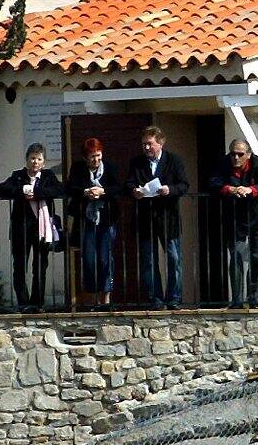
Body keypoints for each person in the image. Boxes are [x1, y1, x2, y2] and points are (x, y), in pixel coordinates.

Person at [127, 126, 189, 308]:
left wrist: (170, 190)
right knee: (149, 260)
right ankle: (156, 298)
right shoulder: (137, 162)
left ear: (160, 143)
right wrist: (135, 191)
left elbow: (184, 184)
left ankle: (174, 298)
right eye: (144, 144)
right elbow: (129, 182)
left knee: (174, 258)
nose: (146, 148)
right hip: (146, 218)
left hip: (168, 217)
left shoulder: (173, 160)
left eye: (150, 144)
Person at [0, 144, 64, 312]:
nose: (35, 162)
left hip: (42, 230)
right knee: (20, 267)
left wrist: (39, 192)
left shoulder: (48, 176)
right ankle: (23, 303)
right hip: (21, 229)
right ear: (27, 159)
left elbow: (60, 189)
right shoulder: (18, 176)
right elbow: (1, 189)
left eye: (39, 159)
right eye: (32, 158)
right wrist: (22, 191)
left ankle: (37, 303)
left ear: (44, 162)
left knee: (40, 267)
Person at [212, 137, 258, 306]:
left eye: (240, 154)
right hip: (234, 217)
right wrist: (229, 189)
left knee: (256, 257)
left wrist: (250, 190)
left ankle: (253, 297)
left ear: (248, 154)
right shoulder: (223, 163)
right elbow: (214, 182)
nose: (236, 158)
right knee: (237, 256)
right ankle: (237, 299)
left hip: (257, 216)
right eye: (233, 154)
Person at [65, 136, 118, 309]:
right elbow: (71, 187)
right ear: (85, 158)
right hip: (86, 220)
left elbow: (117, 188)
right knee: (88, 260)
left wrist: (102, 191)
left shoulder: (109, 168)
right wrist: (86, 192)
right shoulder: (78, 168)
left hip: (105, 219)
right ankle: (92, 298)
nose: (96, 160)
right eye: (92, 157)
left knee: (105, 259)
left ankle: (106, 299)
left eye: (98, 156)